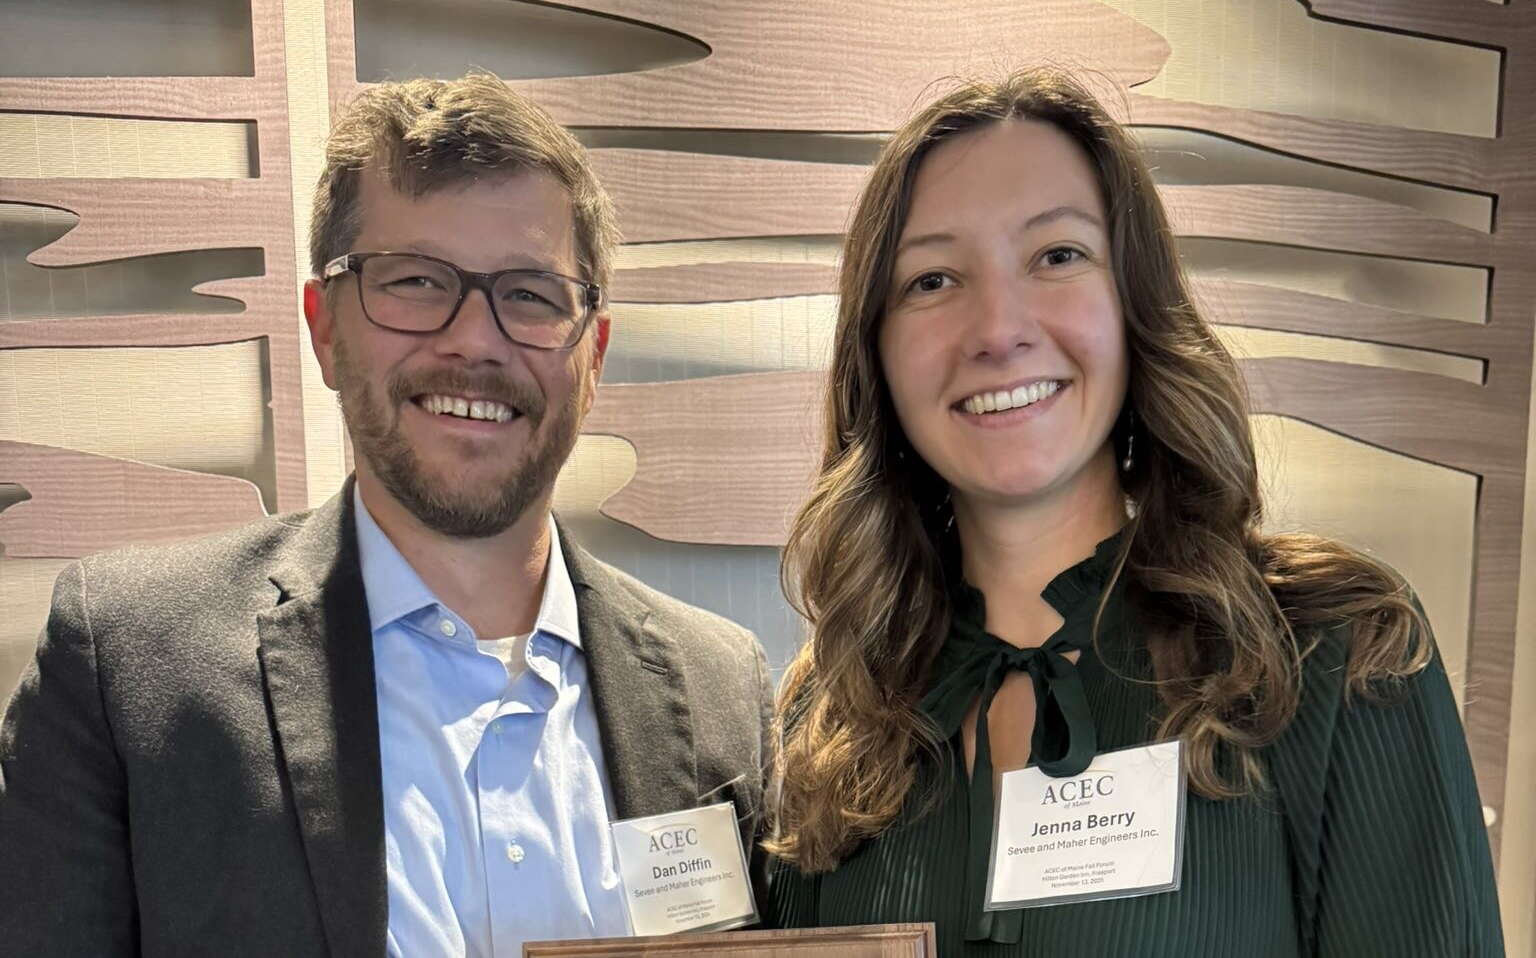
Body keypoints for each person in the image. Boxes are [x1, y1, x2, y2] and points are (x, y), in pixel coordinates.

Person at [0, 73, 773, 957]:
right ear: (326, 328)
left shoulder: (723, 688)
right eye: (415, 281)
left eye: (529, 294)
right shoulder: (129, 666)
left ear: (592, 353)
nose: (475, 340)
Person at [765, 69, 1503, 956]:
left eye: (1057, 256)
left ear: (1134, 302)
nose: (998, 329)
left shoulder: (1337, 651)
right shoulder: (835, 710)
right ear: (876, 349)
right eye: (931, 279)